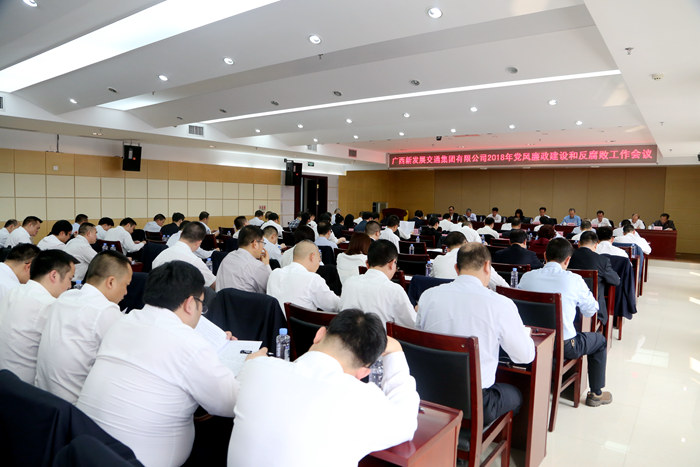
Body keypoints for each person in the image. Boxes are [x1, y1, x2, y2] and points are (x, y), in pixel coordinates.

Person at [77, 261, 260, 467]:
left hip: (86, 452)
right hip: (135, 462)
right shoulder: (189, 343)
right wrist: (250, 365)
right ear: (190, 303)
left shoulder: (123, 322)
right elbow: (232, 403)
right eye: (202, 304)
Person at [227, 309, 419, 467]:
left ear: (319, 334)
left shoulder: (256, 368)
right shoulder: (361, 399)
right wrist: (396, 352)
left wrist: (252, 362)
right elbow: (407, 423)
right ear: (363, 372)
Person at [417, 243, 535, 426]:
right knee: (516, 395)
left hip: (429, 395)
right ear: (488, 266)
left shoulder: (428, 296)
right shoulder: (500, 304)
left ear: (456, 268)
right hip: (474, 404)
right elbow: (524, 357)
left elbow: (420, 338)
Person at [518, 238, 611, 407]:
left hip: (532, 342)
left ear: (545, 256)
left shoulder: (527, 277)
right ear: (568, 260)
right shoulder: (574, 280)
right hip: (565, 345)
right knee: (600, 341)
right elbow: (591, 311)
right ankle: (596, 394)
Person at [35, 251, 132, 403]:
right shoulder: (106, 310)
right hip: (74, 406)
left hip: (42, 397)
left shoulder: (66, 297)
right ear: (111, 282)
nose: (126, 293)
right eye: (126, 285)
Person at [0, 250, 76, 384]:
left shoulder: (15, 291)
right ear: (54, 275)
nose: (70, 286)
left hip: (5, 378)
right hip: (25, 386)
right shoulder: (49, 305)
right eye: (70, 279)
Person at [339, 239, 415, 327]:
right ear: (392, 263)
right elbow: (413, 325)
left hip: (347, 335)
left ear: (367, 264)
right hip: (378, 336)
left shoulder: (349, 283)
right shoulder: (395, 290)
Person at [267, 240, 340, 313]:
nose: (320, 260)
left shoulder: (274, 273)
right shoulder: (313, 279)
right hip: (303, 320)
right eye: (319, 256)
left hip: (277, 320)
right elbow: (337, 306)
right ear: (312, 256)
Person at [569, 231, 620, 324]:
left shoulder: (567, 258)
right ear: (596, 245)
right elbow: (616, 281)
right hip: (593, 310)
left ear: (579, 243)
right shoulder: (602, 260)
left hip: (569, 305)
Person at [432, 232, 509, 291]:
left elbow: (432, 280)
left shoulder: (437, 260)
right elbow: (502, 286)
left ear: (447, 249)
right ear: (466, 243)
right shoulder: (477, 258)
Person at [153, 222, 216, 287]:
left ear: (181, 234)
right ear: (199, 243)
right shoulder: (194, 261)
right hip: (180, 293)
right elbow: (214, 285)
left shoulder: (160, 255)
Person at [216, 225, 270, 293]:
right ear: (255, 244)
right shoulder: (257, 266)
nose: (263, 247)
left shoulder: (228, 257)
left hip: (222, 299)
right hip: (248, 300)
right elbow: (271, 288)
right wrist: (266, 265)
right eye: (262, 243)